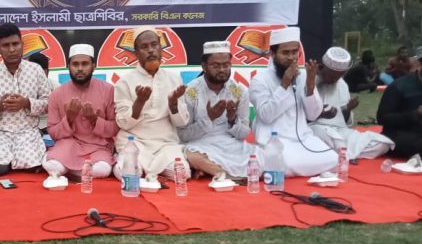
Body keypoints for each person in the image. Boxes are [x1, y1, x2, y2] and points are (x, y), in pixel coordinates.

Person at [249, 27, 338, 177]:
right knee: (284, 162)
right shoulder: (260, 80)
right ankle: (274, 164)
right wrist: (284, 84)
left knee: (334, 159)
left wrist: (310, 87)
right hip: (274, 141)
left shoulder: (302, 76)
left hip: (303, 139)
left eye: (294, 52)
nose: (291, 57)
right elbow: (266, 115)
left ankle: (282, 167)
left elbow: (313, 115)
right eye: (285, 53)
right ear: (272, 54)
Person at [113, 26, 190, 181]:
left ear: (161, 48)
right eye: (144, 47)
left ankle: (153, 172)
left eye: (154, 45)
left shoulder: (174, 79)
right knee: (128, 174)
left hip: (166, 145)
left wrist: (173, 105)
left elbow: (182, 123)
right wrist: (139, 102)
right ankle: (130, 165)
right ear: (136, 53)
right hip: (135, 142)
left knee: (182, 174)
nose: (150, 50)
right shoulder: (124, 82)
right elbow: (123, 123)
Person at [0, 23, 51, 177]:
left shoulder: (36, 70)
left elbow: (48, 104)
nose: (12, 49)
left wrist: (26, 103)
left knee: (33, 166)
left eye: (15, 44)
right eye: (6, 45)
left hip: (28, 133)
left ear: (22, 44)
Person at [179, 41, 254, 179]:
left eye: (226, 65)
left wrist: (232, 120)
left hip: (230, 145)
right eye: (216, 66)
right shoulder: (191, 92)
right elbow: (183, 135)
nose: (222, 70)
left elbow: (243, 134)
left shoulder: (238, 92)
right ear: (204, 66)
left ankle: (215, 173)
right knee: (192, 155)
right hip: (201, 144)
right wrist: (209, 119)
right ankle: (229, 176)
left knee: (260, 156)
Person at [42, 44, 119, 179]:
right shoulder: (56, 94)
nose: (80, 68)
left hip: (98, 146)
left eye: (85, 64)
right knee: (53, 166)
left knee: (103, 169)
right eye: (75, 64)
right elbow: (53, 133)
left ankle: (70, 171)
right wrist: (69, 119)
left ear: (93, 66)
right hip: (68, 145)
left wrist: (94, 120)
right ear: (68, 66)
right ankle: (80, 171)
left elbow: (115, 128)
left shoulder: (108, 90)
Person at [310, 47, 394, 161]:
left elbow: (344, 123)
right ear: (321, 67)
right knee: (325, 135)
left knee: (382, 143)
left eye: (338, 76)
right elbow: (298, 118)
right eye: (331, 76)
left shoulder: (342, 85)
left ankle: (340, 153)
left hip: (339, 131)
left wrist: (348, 109)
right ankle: (344, 153)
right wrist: (320, 114)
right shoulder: (308, 81)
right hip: (315, 129)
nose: (334, 80)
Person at [377, 63, 422, 158]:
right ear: (419, 65)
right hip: (399, 135)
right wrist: (415, 114)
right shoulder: (398, 86)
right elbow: (382, 118)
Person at [28, 52, 58, 133]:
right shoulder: (22, 87)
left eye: (41, 73)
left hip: (51, 124)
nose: (38, 76)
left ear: (47, 72)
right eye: (34, 72)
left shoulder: (57, 87)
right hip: (29, 125)